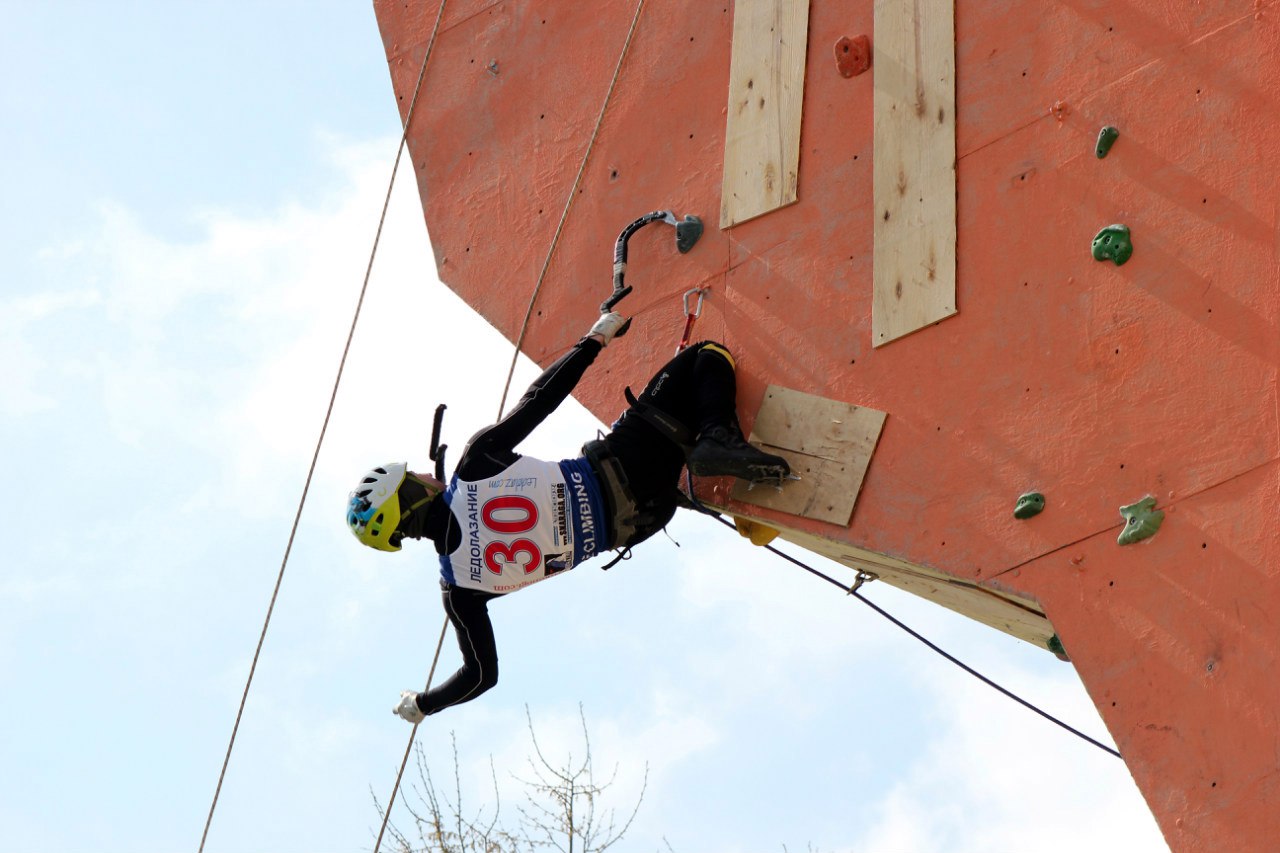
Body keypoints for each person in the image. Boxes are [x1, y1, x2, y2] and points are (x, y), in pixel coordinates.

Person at [346, 311, 790, 723]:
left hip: (642, 519)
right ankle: (719, 438)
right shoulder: (474, 466)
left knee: (678, 441)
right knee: (704, 358)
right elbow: (540, 399)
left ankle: (724, 482)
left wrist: (425, 703)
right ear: (408, 494)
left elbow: (480, 675)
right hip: (626, 461)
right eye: (414, 476)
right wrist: (595, 339)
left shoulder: (459, 590)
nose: (424, 471)